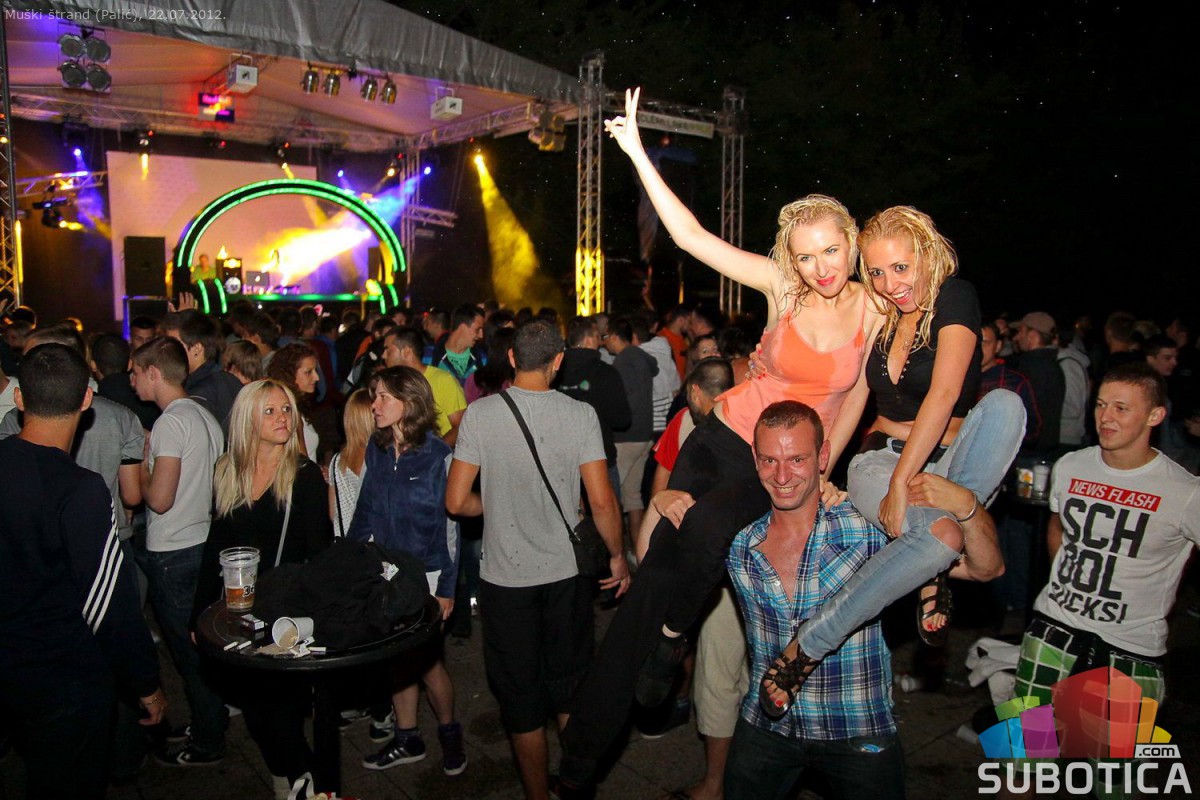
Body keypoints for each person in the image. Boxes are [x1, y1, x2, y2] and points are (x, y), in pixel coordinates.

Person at [556, 89, 882, 792]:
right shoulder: (784, 290)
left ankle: (671, 644)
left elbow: (856, 393)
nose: (821, 267)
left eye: (831, 250)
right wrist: (636, 150)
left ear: (852, 243)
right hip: (720, 435)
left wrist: (826, 464)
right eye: (807, 255)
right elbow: (692, 238)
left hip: (777, 460)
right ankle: (582, 755)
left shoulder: (874, 308)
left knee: (702, 531)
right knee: (653, 573)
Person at [758, 206, 1026, 714]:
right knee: (943, 537)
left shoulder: (954, 297)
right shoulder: (879, 308)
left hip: (949, 464)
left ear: (927, 256)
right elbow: (856, 394)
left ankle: (934, 552)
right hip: (880, 459)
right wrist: (823, 469)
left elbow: (944, 394)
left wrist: (905, 484)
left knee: (1005, 405)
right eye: (877, 272)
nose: (890, 284)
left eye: (901, 268)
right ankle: (809, 644)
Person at [724, 401, 1004, 800]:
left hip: (856, 729)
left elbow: (985, 568)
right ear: (755, 459)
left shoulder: (867, 527)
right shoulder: (740, 541)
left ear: (823, 456)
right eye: (770, 460)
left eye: (797, 459)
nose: (782, 476)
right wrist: (666, 501)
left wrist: (968, 508)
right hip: (767, 724)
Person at [446, 320, 626, 800]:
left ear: (511, 358)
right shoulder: (580, 415)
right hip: (566, 576)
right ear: (558, 361)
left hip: (504, 580)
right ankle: (575, 787)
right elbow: (602, 501)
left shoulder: (480, 415)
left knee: (521, 700)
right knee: (569, 687)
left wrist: (494, 503)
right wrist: (617, 557)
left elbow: (456, 501)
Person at [0, 343, 165, 798]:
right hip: (63, 676)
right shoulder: (81, 489)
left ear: (20, 398)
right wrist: (146, 683)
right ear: (87, 398)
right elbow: (107, 601)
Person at [1014, 363, 1200, 710]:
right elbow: (1058, 526)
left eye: (1121, 408)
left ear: (1155, 416)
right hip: (1053, 627)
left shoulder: (1184, 492)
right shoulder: (1071, 465)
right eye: (1100, 404)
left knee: (1112, 748)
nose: (1106, 417)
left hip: (1131, 646)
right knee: (1026, 739)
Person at [191, 379, 333, 800]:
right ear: (247, 419)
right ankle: (285, 775)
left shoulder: (303, 477)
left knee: (279, 710)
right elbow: (216, 546)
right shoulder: (227, 469)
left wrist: (316, 620)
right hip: (239, 612)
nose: (282, 418)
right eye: (269, 411)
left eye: (286, 409)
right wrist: (198, 613)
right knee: (255, 709)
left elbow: (319, 555)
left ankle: (305, 781)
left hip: (284, 613)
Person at [345, 366, 467, 776]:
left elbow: (451, 530)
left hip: (428, 576)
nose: (374, 405)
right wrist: (351, 560)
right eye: (374, 395)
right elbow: (365, 509)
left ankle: (450, 733)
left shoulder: (438, 457)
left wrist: (446, 588)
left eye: (384, 397)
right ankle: (407, 737)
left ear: (409, 402)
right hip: (387, 575)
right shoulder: (377, 449)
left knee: (428, 665)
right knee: (397, 661)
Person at [131, 336, 226, 766]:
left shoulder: (171, 423)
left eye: (135, 372)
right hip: (202, 543)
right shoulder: (203, 415)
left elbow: (159, 499)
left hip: (173, 552)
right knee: (203, 645)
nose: (131, 381)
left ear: (154, 372)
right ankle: (211, 722)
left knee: (190, 657)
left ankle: (207, 740)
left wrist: (141, 462)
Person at [379, 327, 467, 446]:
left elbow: (461, 425)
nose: (383, 355)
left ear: (406, 351)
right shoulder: (393, 383)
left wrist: (436, 451)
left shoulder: (443, 380)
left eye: (388, 350)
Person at [328, 388, 371, 538]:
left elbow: (332, 513)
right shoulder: (378, 461)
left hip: (346, 543)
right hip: (375, 544)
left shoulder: (336, 461)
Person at [265, 342, 320, 459]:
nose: (316, 377)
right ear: (289, 374)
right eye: (308, 372)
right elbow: (301, 462)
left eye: (316, 371)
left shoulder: (297, 406)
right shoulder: (288, 413)